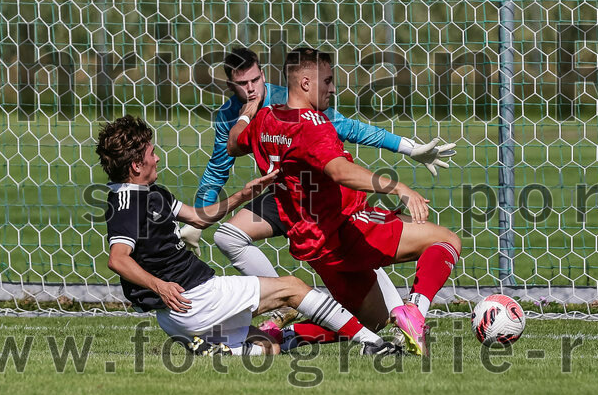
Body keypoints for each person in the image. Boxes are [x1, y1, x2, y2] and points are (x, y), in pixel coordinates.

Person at [182, 47, 455, 317]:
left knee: (368, 296)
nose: (251, 89)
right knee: (227, 236)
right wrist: (199, 217)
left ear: (264, 74)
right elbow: (219, 165)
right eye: (243, 84)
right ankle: (285, 300)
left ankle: (381, 309)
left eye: (255, 80)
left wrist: (407, 147)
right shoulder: (234, 115)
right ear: (230, 85)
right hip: (287, 199)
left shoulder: (289, 101)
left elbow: (349, 128)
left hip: (317, 202)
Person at [96, 114, 400, 356]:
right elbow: (118, 259)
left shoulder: (151, 193)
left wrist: (243, 195)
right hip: (196, 297)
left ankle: (217, 351)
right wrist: (158, 285)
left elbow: (199, 218)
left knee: (269, 348)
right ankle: (373, 341)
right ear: (136, 165)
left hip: (180, 315)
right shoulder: (126, 204)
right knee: (293, 288)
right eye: (152, 154)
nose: (157, 158)